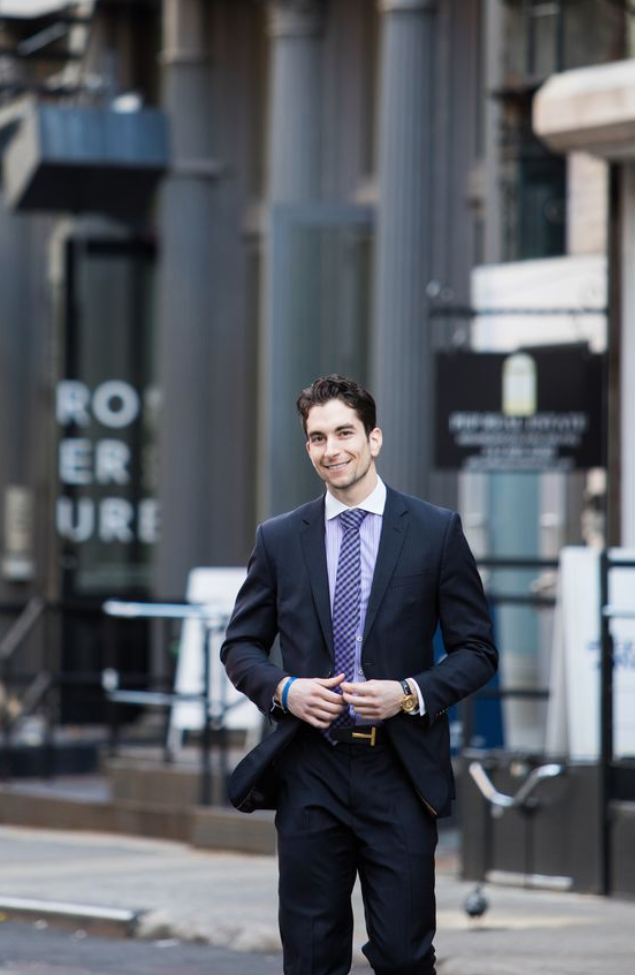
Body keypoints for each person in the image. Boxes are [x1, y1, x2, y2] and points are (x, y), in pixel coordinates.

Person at [221, 374, 498, 975]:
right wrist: (285, 690)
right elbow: (240, 646)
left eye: (344, 432)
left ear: (374, 438)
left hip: (397, 770)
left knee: (403, 954)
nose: (332, 449)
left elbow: (477, 649)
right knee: (312, 954)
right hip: (310, 769)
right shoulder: (279, 539)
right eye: (317, 437)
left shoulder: (434, 531)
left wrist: (407, 694)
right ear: (308, 448)